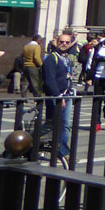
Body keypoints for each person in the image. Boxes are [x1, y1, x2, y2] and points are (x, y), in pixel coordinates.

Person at [41, 32, 79, 160]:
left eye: (67, 42)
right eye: (62, 41)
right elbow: (49, 80)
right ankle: (34, 142)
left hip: (66, 96)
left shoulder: (67, 58)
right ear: (56, 42)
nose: (64, 44)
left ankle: (61, 152)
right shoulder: (51, 58)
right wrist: (58, 96)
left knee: (64, 125)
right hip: (56, 97)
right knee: (55, 124)